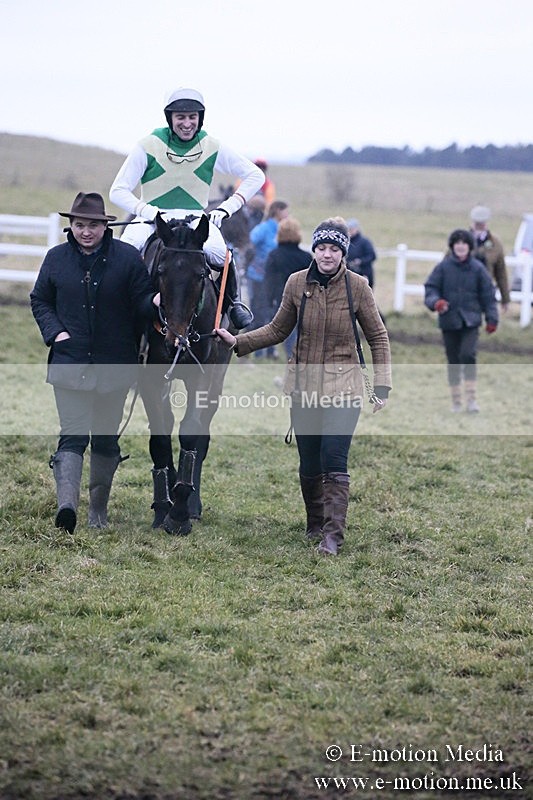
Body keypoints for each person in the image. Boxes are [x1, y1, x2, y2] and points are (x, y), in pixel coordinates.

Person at [216, 217, 392, 556]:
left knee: (333, 457)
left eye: (334, 249)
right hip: (304, 386)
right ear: (313, 250)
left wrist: (382, 385)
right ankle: (315, 523)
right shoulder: (297, 284)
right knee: (309, 461)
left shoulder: (358, 287)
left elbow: (378, 336)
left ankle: (333, 536)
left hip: (344, 387)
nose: (327, 254)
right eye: (322, 247)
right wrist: (237, 340)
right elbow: (277, 329)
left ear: (343, 252)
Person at [30, 192, 160, 534]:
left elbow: (142, 302)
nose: (85, 231)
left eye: (92, 225)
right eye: (78, 225)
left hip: (114, 367)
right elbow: (40, 299)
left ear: (105, 226)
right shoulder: (56, 259)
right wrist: (54, 331)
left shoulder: (128, 259)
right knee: (72, 436)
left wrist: (157, 300)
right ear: (70, 226)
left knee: (105, 438)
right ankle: (67, 508)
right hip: (69, 363)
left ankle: (98, 513)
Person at [109, 87, 265, 329]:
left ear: (199, 118)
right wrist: (149, 212)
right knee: (125, 252)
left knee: (221, 254)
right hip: (152, 219)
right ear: (170, 118)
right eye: (180, 117)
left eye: (192, 117)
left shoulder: (212, 146)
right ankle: (112, 310)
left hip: (194, 218)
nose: (187, 123)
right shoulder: (148, 145)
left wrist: (226, 209)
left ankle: (234, 305)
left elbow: (255, 176)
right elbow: (117, 190)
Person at [424, 228, 498, 414]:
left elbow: (488, 295)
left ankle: (471, 399)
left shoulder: (478, 269)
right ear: (452, 246)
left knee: (468, 354)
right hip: (449, 321)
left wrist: (492, 319)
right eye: (457, 243)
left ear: (469, 246)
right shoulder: (443, 267)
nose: (461, 246)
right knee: (453, 359)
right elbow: (431, 289)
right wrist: (436, 303)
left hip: (471, 321)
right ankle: (456, 401)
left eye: (464, 243)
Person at [263, 216, 311, 358]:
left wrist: (268, 299)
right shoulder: (306, 257)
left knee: (282, 328)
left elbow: (269, 280)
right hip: (304, 298)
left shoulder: (274, 255)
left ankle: (286, 355)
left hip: (281, 297)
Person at [247, 200, 290, 358]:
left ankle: (271, 352)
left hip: (275, 279)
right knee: (259, 313)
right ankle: (258, 352)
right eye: (286, 211)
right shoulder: (264, 229)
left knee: (274, 314)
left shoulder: (283, 229)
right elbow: (250, 242)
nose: (288, 214)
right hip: (258, 277)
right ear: (277, 211)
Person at [469, 205, 511, 312]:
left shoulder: (495, 244)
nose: (479, 226)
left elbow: (501, 273)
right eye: (477, 223)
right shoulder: (461, 241)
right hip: (463, 291)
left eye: (481, 223)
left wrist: (505, 298)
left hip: (485, 292)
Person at [346, 218, 377, 288]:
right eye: (348, 229)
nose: (349, 231)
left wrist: (360, 261)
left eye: (351, 229)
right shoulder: (346, 242)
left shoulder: (365, 242)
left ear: (356, 229)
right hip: (349, 275)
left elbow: (372, 256)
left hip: (364, 273)